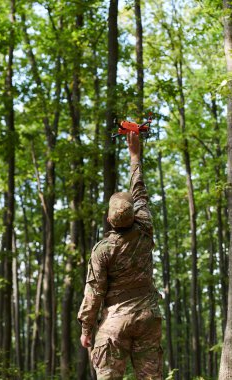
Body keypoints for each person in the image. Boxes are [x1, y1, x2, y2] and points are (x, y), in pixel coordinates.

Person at [78, 131, 163, 379]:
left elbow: (94, 293)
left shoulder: (102, 250)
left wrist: (86, 329)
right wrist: (135, 155)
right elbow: (139, 191)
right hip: (148, 317)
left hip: (114, 322)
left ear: (108, 219)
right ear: (135, 216)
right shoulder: (145, 228)